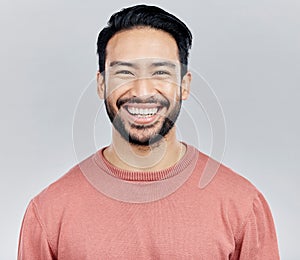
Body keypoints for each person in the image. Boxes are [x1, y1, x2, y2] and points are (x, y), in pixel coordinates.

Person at [18, 4, 279, 259]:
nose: (142, 92)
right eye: (124, 72)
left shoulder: (244, 207)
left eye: (161, 72)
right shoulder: (48, 214)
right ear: (101, 84)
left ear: (184, 86)